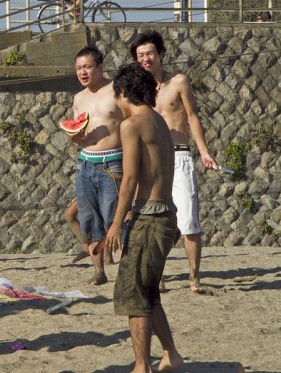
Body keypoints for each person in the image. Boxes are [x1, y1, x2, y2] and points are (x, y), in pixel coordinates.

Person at [105, 62, 184, 373]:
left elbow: (129, 179)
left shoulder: (132, 124)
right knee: (149, 291)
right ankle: (171, 354)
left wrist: (115, 224)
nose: (116, 103)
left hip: (149, 218)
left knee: (134, 293)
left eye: (117, 97)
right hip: (166, 213)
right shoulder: (160, 122)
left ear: (124, 92)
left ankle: (142, 366)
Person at [130, 30, 218, 294]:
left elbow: (192, 117)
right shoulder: (137, 88)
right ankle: (157, 276)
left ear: (161, 54)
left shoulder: (179, 82)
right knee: (154, 218)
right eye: (140, 55)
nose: (146, 59)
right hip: (149, 158)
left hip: (178, 154)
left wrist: (203, 151)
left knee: (189, 218)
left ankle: (194, 278)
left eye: (150, 53)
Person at [64, 47, 123, 285]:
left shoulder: (118, 90)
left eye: (87, 67)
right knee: (89, 219)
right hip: (85, 163)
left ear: (100, 67)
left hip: (114, 161)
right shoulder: (79, 98)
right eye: (79, 68)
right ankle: (99, 272)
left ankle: (128, 269)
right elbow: (78, 132)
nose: (83, 72)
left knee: (116, 217)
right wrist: (74, 136)